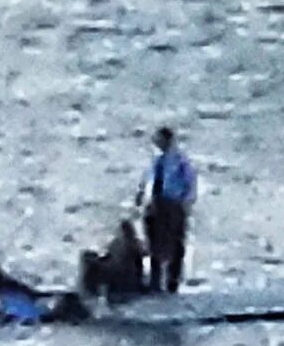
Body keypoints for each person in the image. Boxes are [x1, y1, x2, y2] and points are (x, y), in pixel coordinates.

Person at [141, 126, 196, 292]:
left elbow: (190, 182)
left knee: (175, 243)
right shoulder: (156, 161)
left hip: (173, 204)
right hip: (157, 204)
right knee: (154, 242)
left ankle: (173, 281)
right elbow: (147, 181)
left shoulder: (180, 161)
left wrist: (185, 202)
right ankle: (155, 280)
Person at [79, 218, 150, 304]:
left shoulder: (127, 244)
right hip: (121, 277)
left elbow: (141, 253)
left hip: (125, 278)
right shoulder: (121, 243)